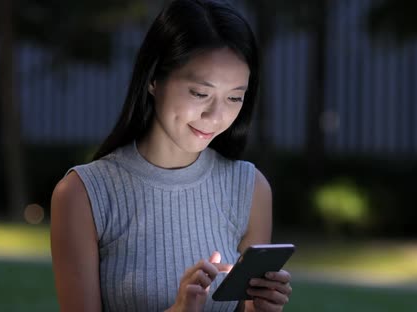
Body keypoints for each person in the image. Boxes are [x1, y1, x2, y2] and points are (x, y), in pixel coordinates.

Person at [49, 0, 292, 311]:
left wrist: (260, 309)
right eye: (200, 93)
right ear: (153, 79)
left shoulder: (249, 189)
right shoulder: (83, 194)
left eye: (234, 97)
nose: (215, 116)